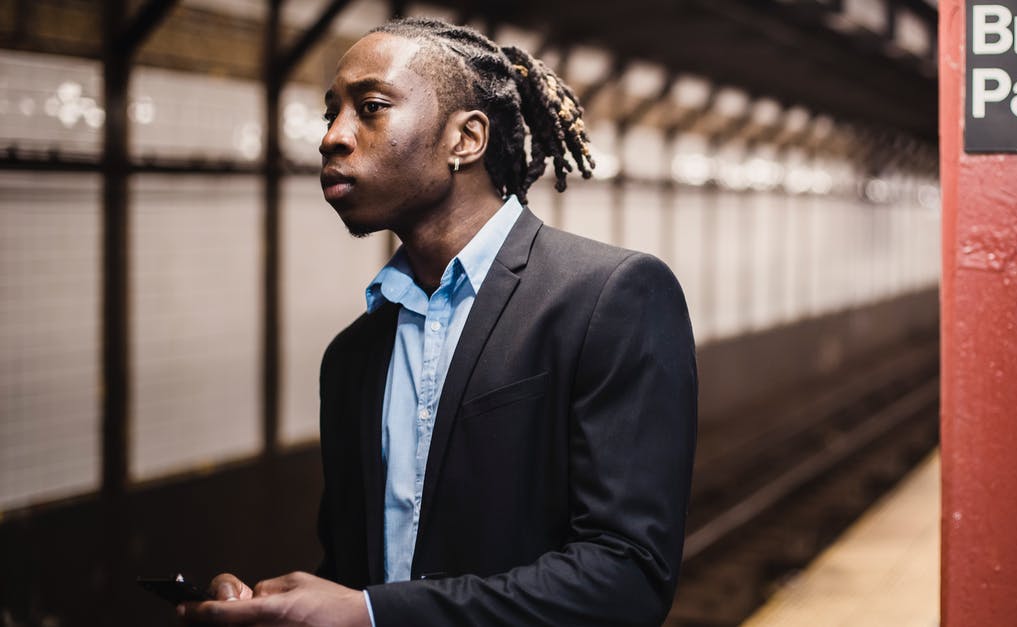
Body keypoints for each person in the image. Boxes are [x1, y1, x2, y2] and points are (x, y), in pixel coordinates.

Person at [181, 16, 696, 627]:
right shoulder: (351, 357)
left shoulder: (610, 297)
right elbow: (363, 575)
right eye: (331, 113)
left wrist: (372, 614)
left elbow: (627, 578)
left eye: (370, 107)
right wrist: (284, 610)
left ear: (466, 139)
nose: (333, 138)